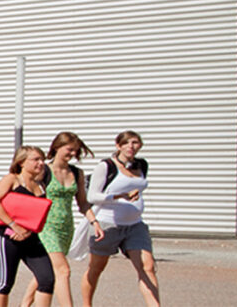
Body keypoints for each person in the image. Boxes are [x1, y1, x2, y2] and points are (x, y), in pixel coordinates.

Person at [80, 131, 159, 307]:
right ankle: (86, 304)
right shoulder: (106, 166)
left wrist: (135, 194)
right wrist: (119, 196)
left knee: (148, 266)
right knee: (96, 268)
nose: (131, 146)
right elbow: (92, 196)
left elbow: (138, 187)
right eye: (127, 143)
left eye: (136, 143)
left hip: (135, 224)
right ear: (118, 145)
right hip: (108, 224)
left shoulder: (142, 165)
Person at [21, 132, 99, 307]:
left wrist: (94, 222)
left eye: (75, 151)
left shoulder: (77, 173)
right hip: (45, 226)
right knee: (63, 270)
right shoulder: (44, 171)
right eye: (69, 149)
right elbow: (27, 193)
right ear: (57, 147)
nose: (72, 154)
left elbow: (83, 203)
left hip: (66, 227)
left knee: (47, 269)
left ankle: (25, 303)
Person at [0, 146, 53, 307]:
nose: (41, 163)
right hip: (6, 237)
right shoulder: (12, 179)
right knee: (5, 283)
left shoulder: (41, 184)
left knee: (47, 279)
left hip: (30, 237)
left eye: (42, 159)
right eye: (36, 159)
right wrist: (14, 226)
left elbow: (39, 214)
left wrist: (28, 231)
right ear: (22, 162)